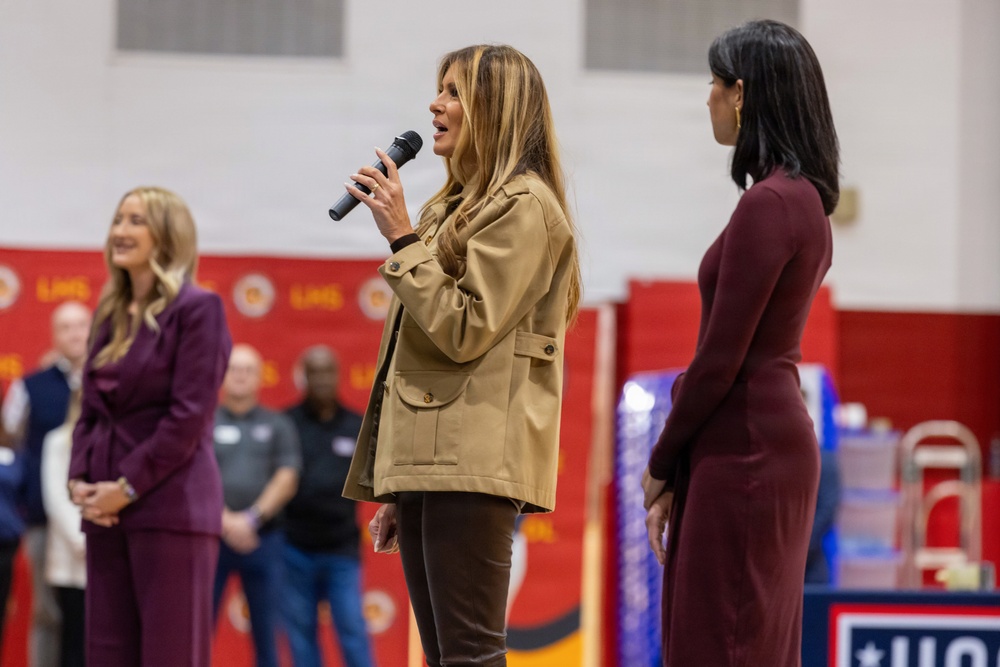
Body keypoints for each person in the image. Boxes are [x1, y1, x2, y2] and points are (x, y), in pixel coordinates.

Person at [342, 44, 581, 667]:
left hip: (472, 460)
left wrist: (400, 237)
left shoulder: (524, 207)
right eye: (439, 88)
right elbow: (414, 353)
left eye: (453, 91)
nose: (435, 104)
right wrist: (399, 482)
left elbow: (465, 329)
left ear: (495, 109)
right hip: (436, 460)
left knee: (470, 654)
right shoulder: (451, 205)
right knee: (448, 655)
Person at [641, 20, 839, 666]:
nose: (708, 98)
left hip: (744, 452)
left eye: (715, 83)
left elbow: (720, 360)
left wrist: (662, 460)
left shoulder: (771, 204)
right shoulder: (806, 202)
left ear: (744, 94)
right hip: (760, 444)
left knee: (715, 647)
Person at [68, 186, 232, 666]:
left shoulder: (198, 310)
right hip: (106, 511)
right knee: (107, 654)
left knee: (170, 655)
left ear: (167, 235)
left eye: (135, 220)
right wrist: (79, 482)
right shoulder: (110, 314)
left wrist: (126, 486)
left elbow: (189, 417)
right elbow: (91, 412)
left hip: (171, 510)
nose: (119, 231)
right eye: (118, 219)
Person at [1, 301, 90, 667]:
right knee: (47, 610)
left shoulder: (113, 382)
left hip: (103, 518)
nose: (74, 334)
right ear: (54, 335)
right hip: (43, 520)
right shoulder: (30, 386)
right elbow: (9, 443)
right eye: (65, 327)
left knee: (95, 617)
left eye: (81, 325)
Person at [282, 346, 372, 667]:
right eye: (314, 372)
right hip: (294, 549)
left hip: (342, 548)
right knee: (300, 634)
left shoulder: (357, 425)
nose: (321, 379)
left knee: (352, 629)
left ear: (338, 376)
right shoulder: (286, 424)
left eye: (327, 372)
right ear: (303, 378)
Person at [212, 343, 301, 667]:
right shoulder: (202, 423)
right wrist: (223, 520)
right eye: (234, 369)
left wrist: (249, 520)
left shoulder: (278, 424)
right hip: (211, 539)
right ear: (221, 375)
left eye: (248, 370)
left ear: (259, 378)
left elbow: (287, 478)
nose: (240, 376)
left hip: (264, 539)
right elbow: (192, 477)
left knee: (268, 633)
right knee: (196, 630)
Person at [40, 390, 86, 667]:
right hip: (71, 556)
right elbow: (56, 497)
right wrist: (83, 538)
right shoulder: (58, 440)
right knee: (71, 637)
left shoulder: (116, 439)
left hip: (108, 556)